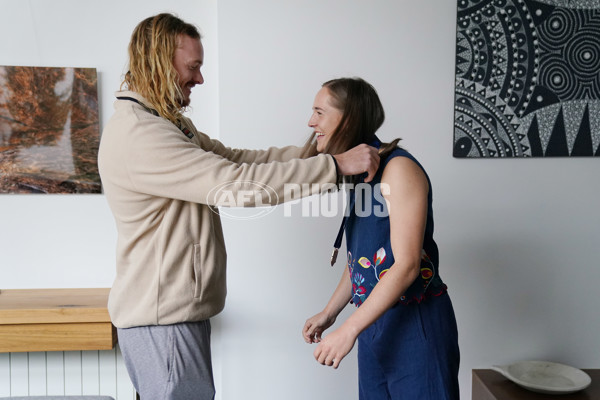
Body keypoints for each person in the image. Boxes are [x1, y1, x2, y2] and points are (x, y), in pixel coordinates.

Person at [97, 14, 379, 400]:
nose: (199, 79)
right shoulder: (141, 135)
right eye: (193, 67)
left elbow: (238, 160)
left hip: (170, 317)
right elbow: (235, 185)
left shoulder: (164, 123)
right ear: (162, 62)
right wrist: (334, 165)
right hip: (163, 321)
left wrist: (317, 149)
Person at [301, 77, 460, 400]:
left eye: (319, 112)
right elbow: (364, 256)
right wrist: (331, 313)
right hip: (374, 324)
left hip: (415, 325)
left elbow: (406, 265)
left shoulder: (398, 169)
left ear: (349, 119)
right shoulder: (361, 173)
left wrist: (349, 330)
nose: (311, 122)